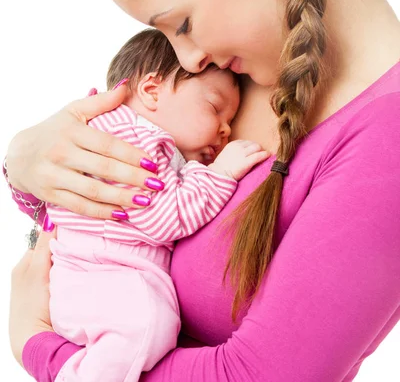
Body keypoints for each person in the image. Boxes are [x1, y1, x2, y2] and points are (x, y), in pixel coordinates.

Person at [6, 0, 400, 382]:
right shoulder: (241, 69)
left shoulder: (388, 142)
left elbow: (262, 376)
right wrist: (23, 163)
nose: (187, 59)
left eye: (183, 24)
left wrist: (38, 347)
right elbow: (111, 211)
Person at [42, 26, 268, 382]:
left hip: (98, 280)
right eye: (214, 108)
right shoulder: (139, 141)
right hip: (99, 274)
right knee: (146, 325)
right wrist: (220, 173)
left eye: (231, 121)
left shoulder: (124, 134)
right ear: (151, 91)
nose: (225, 130)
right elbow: (167, 217)